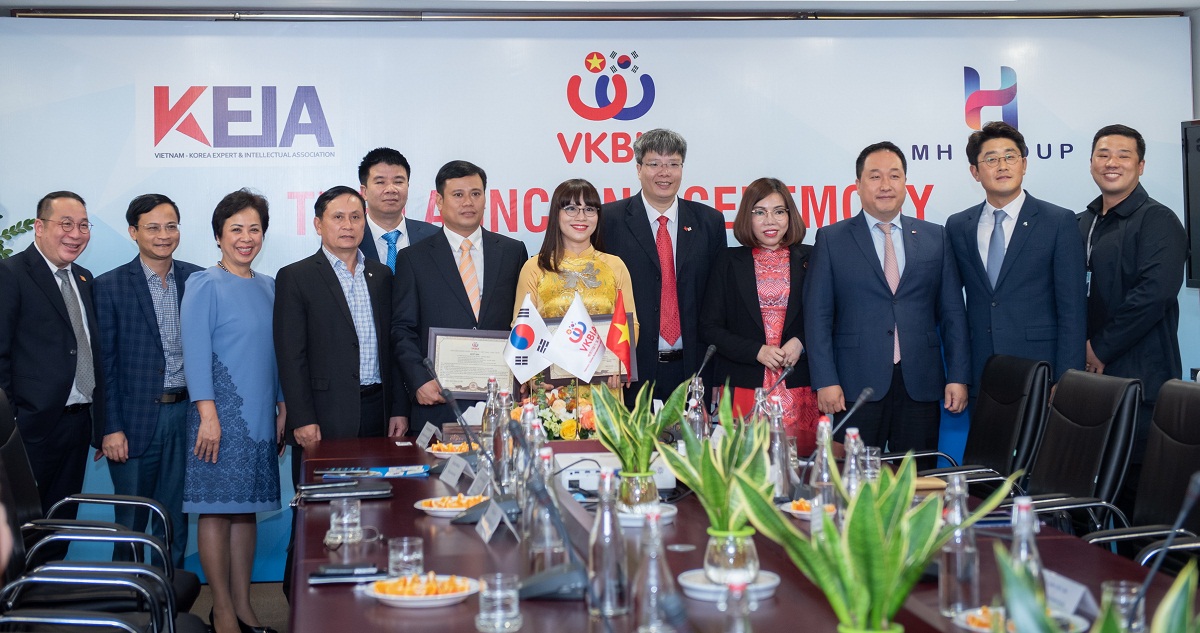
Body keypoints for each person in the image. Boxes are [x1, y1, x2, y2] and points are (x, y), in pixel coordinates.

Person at [804, 142, 969, 456]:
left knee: (917, 477)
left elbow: (953, 314)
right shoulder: (831, 239)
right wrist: (825, 380)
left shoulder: (935, 237)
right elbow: (818, 316)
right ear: (858, 184)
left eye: (894, 176)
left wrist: (959, 376)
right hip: (854, 385)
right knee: (855, 479)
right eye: (875, 176)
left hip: (920, 383)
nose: (885, 185)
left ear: (905, 183)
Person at [181, 189, 283, 633]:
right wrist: (208, 415)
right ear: (219, 236)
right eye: (236, 229)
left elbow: (278, 352)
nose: (246, 238)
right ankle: (221, 610)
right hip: (219, 416)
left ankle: (244, 608)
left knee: (247, 510)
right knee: (216, 509)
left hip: (261, 415)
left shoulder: (269, 286)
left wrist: (282, 404)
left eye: (254, 229)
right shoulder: (204, 284)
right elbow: (194, 353)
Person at [1078, 124, 1187, 510]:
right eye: (1103, 154)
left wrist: (1099, 348)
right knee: (1084, 501)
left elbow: (1153, 296)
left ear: (1140, 166)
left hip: (1141, 386)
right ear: (1091, 162)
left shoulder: (1158, 220)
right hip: (1088, 387)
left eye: (1123, 155)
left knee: (1139, 506)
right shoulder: (1082, 222)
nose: (1112, 162)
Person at [94, 193, 202, 567]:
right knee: (131, 521)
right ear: (133, 232)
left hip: (186, 415)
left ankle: (168, 594)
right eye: (153, 227)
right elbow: (105, 365)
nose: (163, 235)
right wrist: (110, 428)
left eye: (171, 226)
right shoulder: (109, 286)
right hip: (133, 422)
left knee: (174, 521)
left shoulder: (197, 280)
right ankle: (129, 598)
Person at [275, 186, 407, 477]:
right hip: (324, 416)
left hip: (379, 411)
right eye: (338, 217)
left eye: (356, 217)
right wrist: (302, 418)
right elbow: (290, 356)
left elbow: (393, 347)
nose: (348, 225)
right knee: (324, 498)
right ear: (318, 224)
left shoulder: (382, 275)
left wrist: (398, 408)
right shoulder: (296, 277)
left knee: (381, 495)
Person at [946, 121, 1086, 393]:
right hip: (982, 370)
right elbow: (952, 306)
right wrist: (958, 374)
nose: (1002, 166)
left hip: (1040, 370)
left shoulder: (1058, 221)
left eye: (1010, 157)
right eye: (991, 159)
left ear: (1024, 164)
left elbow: (1073, 310)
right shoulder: (959, 225)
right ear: (975, 172)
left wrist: (1066, 378)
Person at [393, 161, 528, 431]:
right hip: (438, 400)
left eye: (476, 193)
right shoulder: (413, 258)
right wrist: (418, 380)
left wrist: (525, 373)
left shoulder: (512, 252)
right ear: (439, 202)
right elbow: (402, 329)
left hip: (501, 401)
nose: (468, 202)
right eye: (458, 194)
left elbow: (525, 322)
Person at [0, 191, 104, 526]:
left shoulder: (84, 278)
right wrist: (11, 422)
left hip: (78, 425)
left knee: (61, 522)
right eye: (66, 224)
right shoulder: (10, 274)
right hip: (29, 429)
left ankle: (53, 564)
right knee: (20, 527)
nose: (76, 234)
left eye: (83, 226)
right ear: (39, 227)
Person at [600, 129, 726, 404]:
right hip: (630, 370)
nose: (664, 173)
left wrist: (718, 373)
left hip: (695, 369)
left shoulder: (710, 222)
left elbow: (719, 303)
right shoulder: (609, 220)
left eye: (673, 164)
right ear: (638, 169)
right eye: (654, 163)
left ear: (682, 168)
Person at [700, 178, 820, 452]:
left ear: (789, 215)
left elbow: (829, 316)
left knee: (797, 463)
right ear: (748, 216)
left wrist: (801, 342)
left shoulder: (812, 258)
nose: (770, 221)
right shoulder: (727, 261)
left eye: (779, 211)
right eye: (760, 212)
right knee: (743, 464)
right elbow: (710, 327)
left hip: (799, 384)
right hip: (744, 381)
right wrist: (757, 351)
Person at [515, 178, 639, 390]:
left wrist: (618, 364)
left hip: (605, 390)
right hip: (552, 392)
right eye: (571, 208)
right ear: (556, 214)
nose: (581, 217)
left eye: (589, 209)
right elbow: (521, 328)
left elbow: (631, 325)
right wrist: (533, 376)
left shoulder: (615, 266)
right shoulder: (535, 267)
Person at [357, 147, 439, 271]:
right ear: (364, 192)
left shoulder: (434, 236)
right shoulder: (350, 237)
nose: (391, 189)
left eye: (398, 182)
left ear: (408, 186)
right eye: (380, 182)